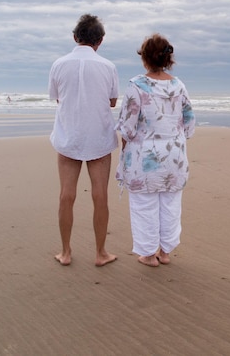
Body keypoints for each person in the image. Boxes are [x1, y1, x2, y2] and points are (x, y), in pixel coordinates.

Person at [116, 33, 195, 267]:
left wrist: (126, 146)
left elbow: (128, 127)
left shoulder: (136, 86)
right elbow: (189, 122)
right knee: (170, 204)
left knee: (144, 205)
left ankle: (149, 254)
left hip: (144, 157)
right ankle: (166, 252)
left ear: (145, 59)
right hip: (174, 156)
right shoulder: (178, 85)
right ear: (168, 59)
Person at [48, 13, 119, 267]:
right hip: (98, 136)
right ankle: (100, 253)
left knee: (66, 195)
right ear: (100, 40)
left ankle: (65, 252)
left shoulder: (58, 64)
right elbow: (112, 102)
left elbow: (58, 98)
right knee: (100, 195)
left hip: (69, 135)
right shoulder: (108, 66)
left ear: (75, 37)